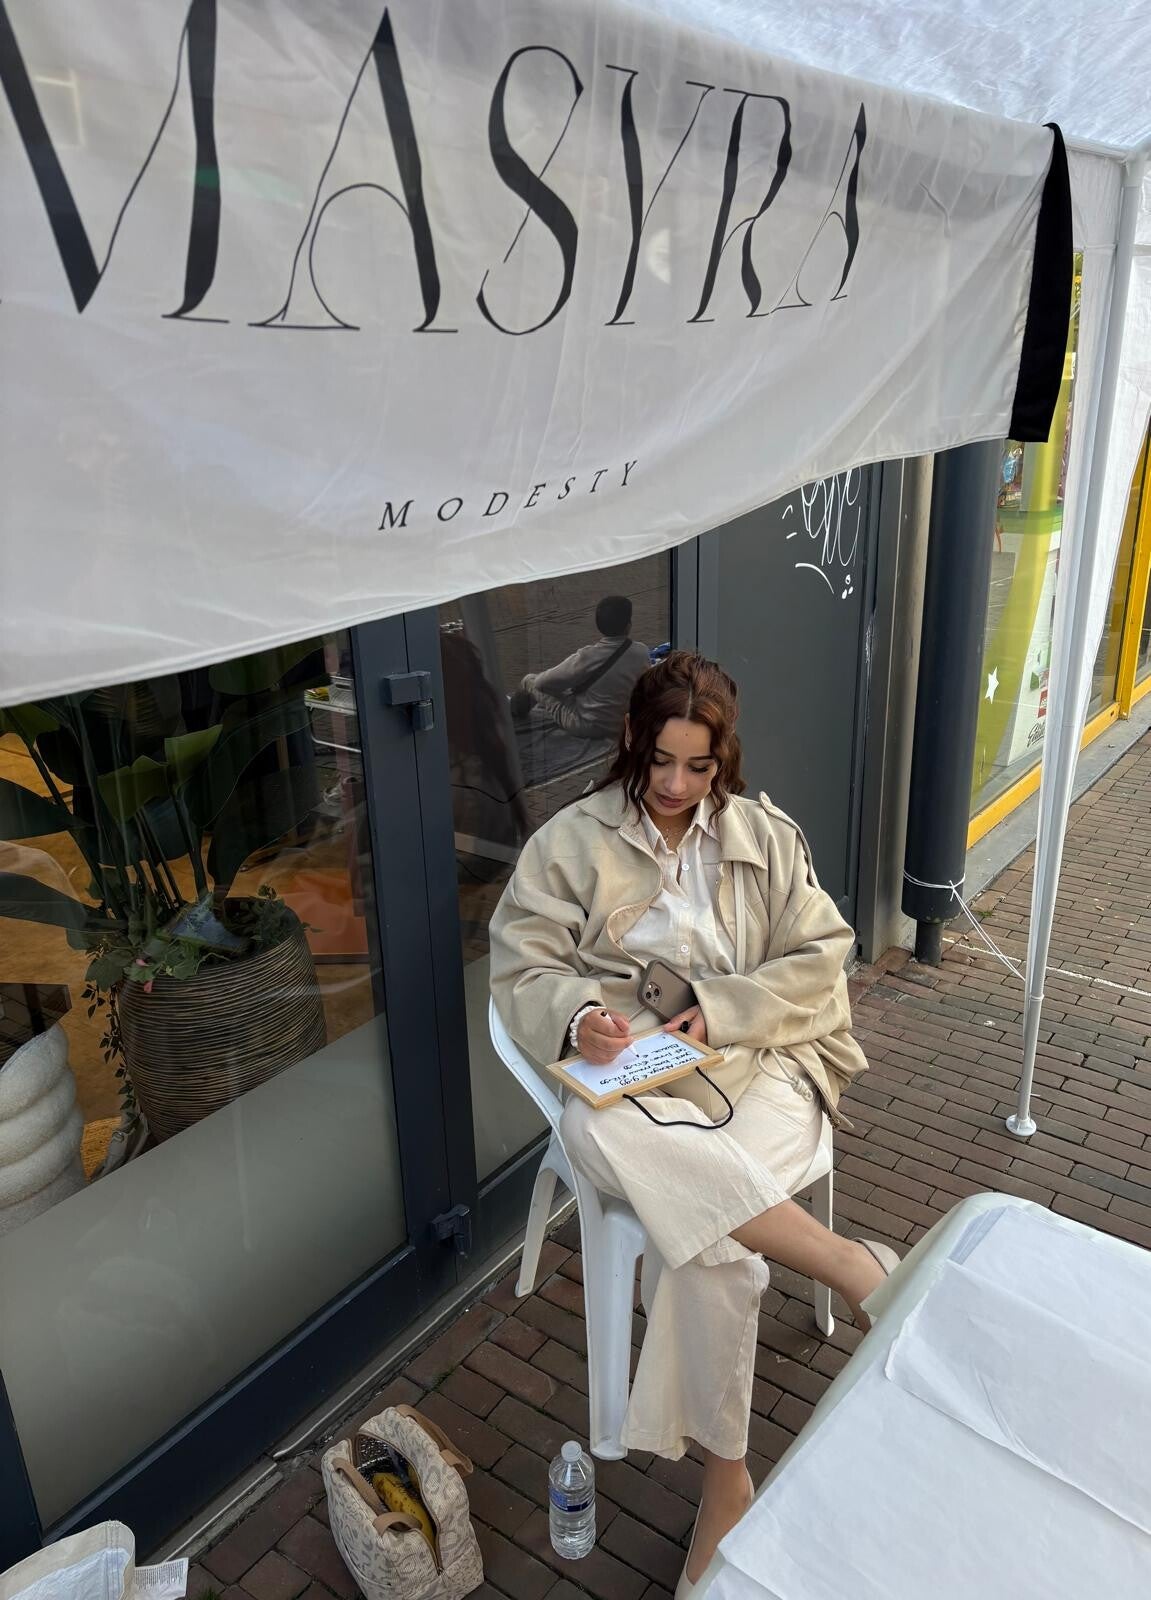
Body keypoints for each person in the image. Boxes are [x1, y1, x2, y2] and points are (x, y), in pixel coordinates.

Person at [490, 651, 899, 1595]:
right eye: (660, 759)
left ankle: (724, 1486)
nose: (675, 784)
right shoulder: (568, 842)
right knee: (592, 1132)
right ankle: (846, 1263)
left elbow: (822, 954)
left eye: (698, 766)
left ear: (724, 759)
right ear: (633, 738)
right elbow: (522, 965)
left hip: (764, 1064)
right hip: (640, 1073)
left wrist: (722, 1008)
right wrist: (576, 1019)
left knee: (699, 1242)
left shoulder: (763, 837)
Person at [515, 594, 649, 740]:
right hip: (624, 723)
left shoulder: (586, 656)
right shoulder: (642, 651)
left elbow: (542, 683)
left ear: (599, 625)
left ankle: (514, 714)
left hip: (588, 726)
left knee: (530, 680)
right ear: (628, 625)